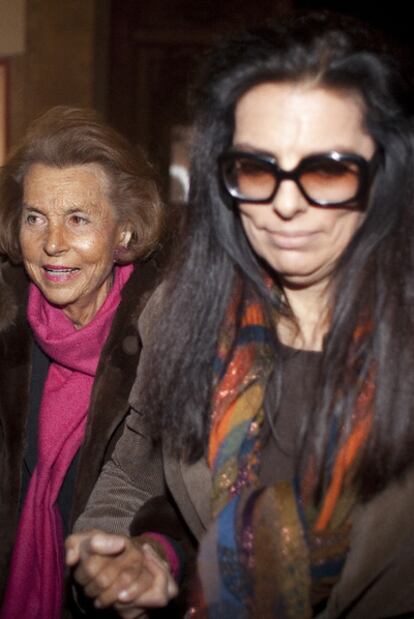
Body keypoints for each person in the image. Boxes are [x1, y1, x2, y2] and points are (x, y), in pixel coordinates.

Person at [66, 12, 414, 618]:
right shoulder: (181, 313)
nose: (284, 204)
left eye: (327, 169)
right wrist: (139, 555)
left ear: (383, 175)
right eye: (256, 167)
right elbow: (132, 477)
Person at [0, 105, 166, 619]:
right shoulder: (6, 329)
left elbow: (184, 497)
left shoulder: (166, 336)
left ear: (124, 232)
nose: (52, 243)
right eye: (35, 218)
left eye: (78, 219)